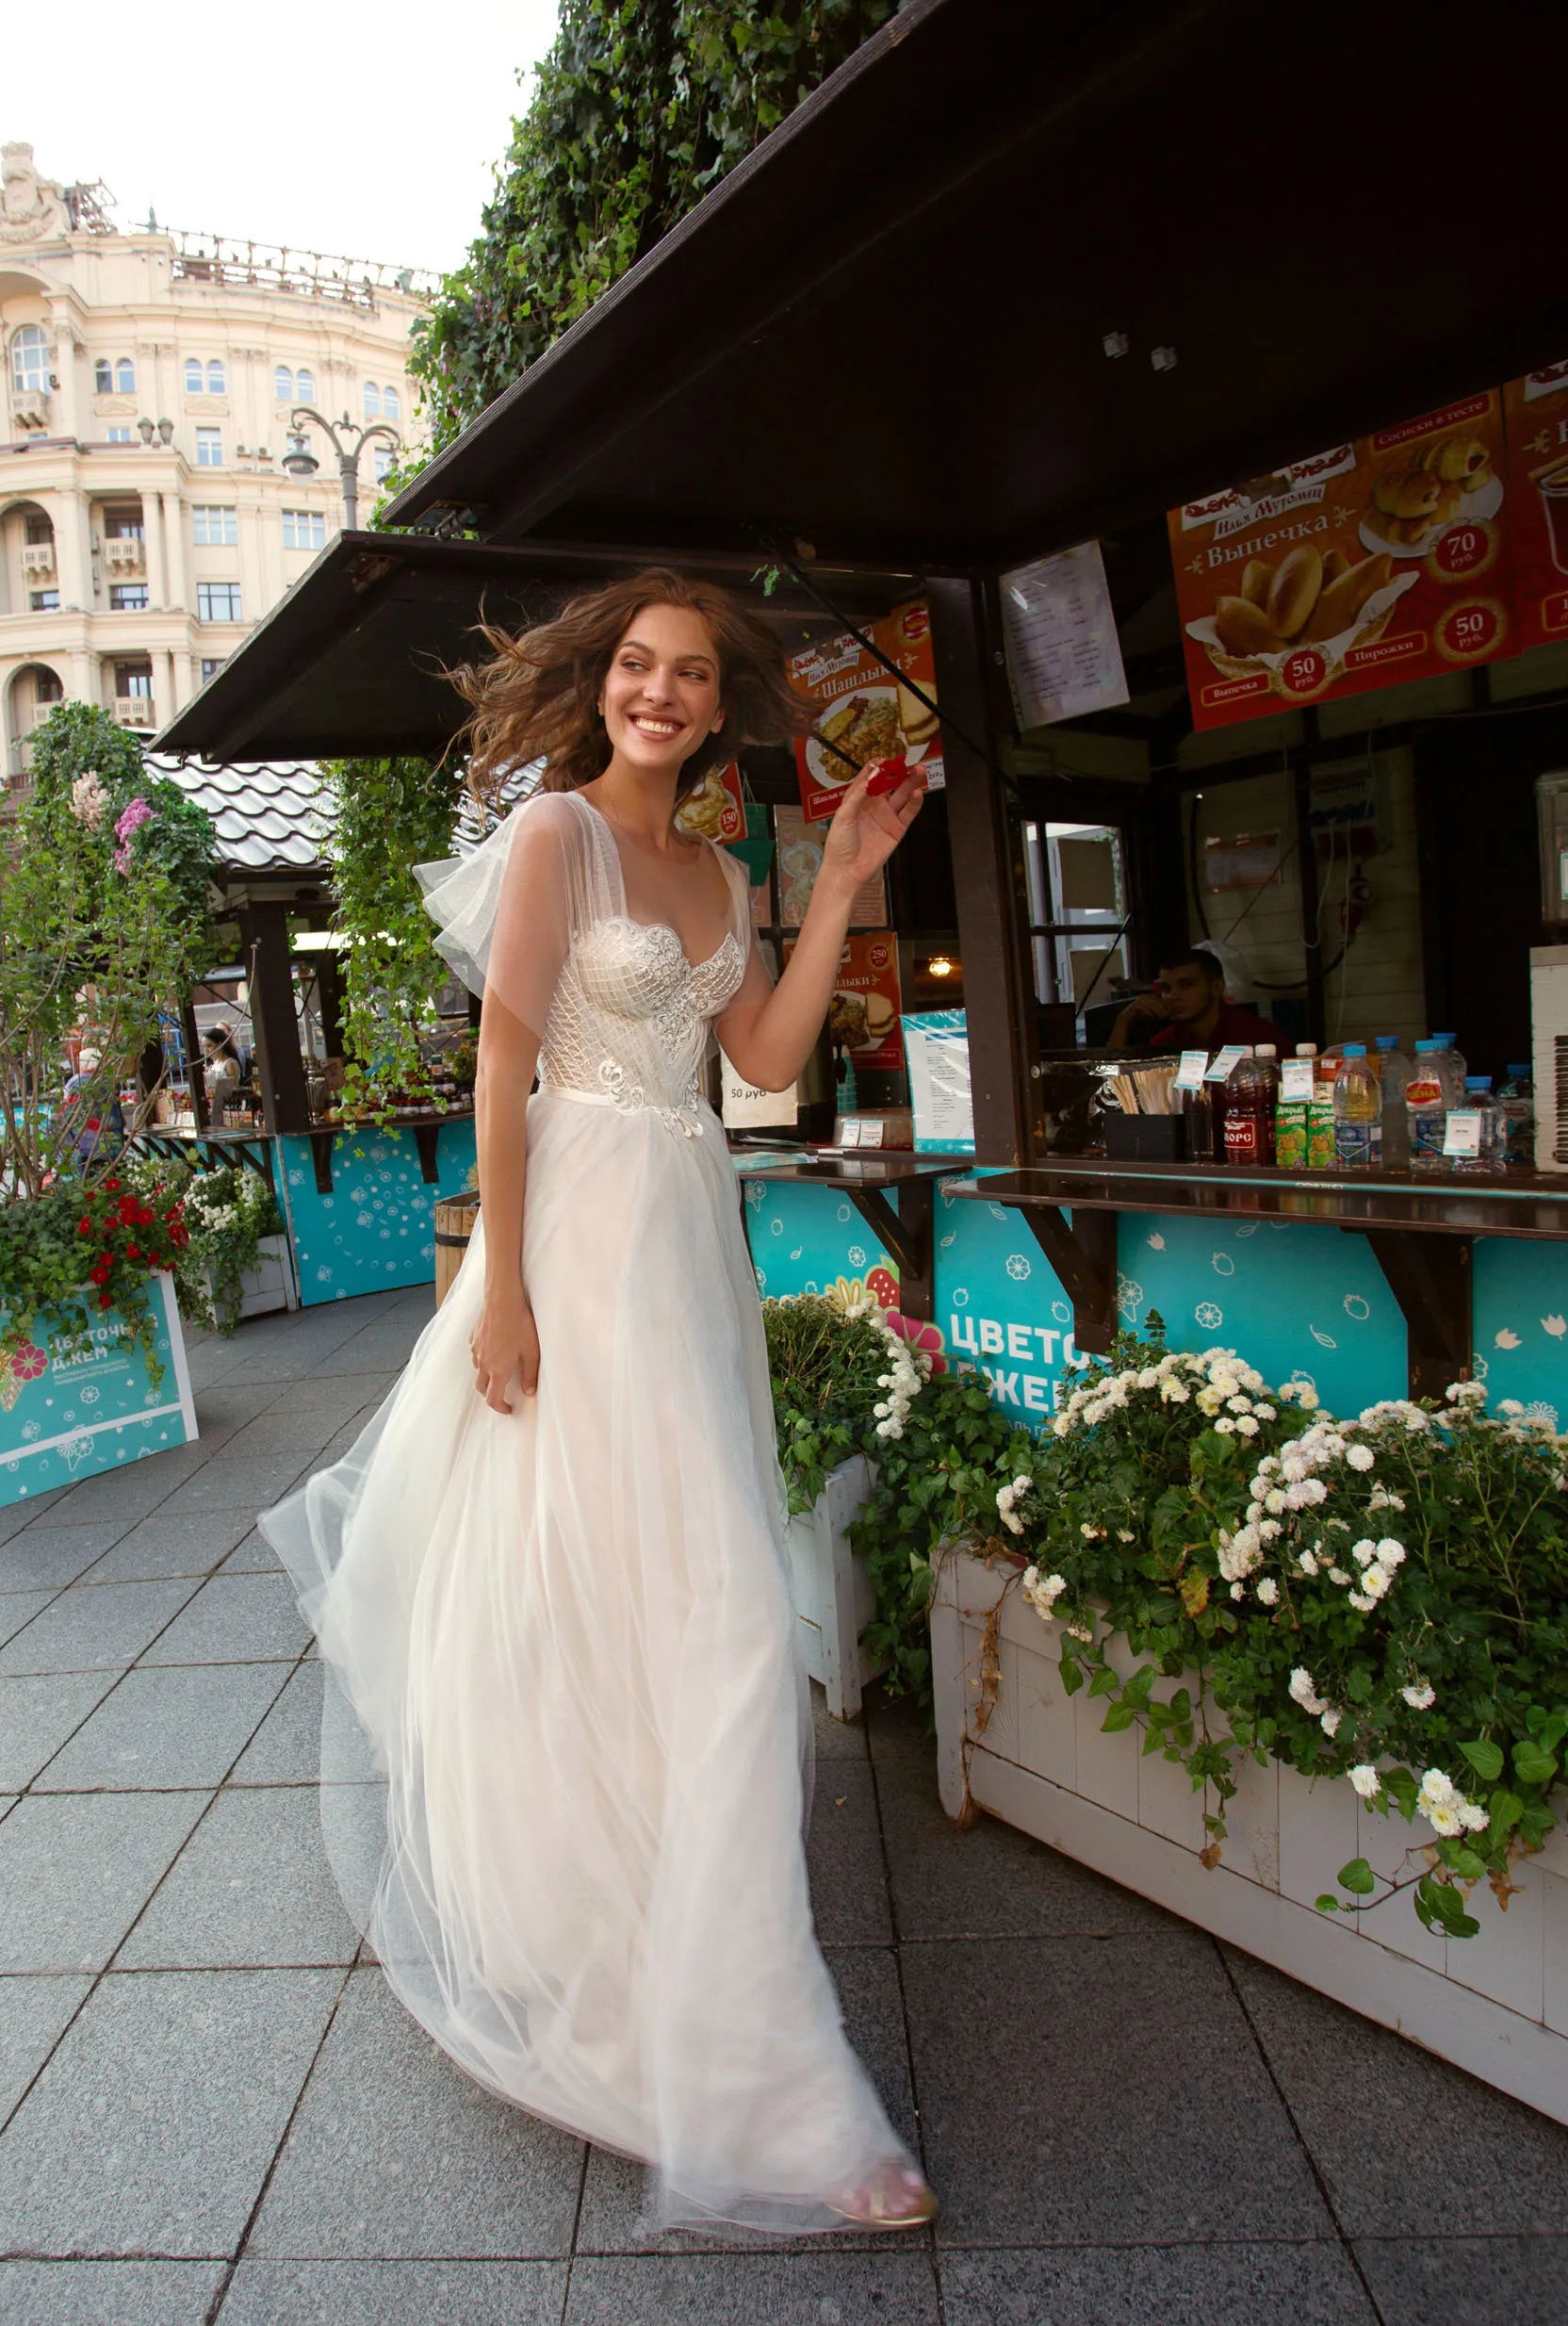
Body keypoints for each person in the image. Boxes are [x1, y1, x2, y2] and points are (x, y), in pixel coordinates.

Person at [259, 570, 936, 2234]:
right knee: (592, 1610)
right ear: (603, 686)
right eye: (637, 663)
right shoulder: (555, 832)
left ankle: (723, 2010)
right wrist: (500, 1284)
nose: (660, 690)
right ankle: (717, 2045)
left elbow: (767, 1059)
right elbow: (506, 1062)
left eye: (690, 673)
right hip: (574, 1239)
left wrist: (841, 876)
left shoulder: (719, 864)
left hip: (686, 1248)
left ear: (717, 707)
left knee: (711, 1619)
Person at [1108, 946, 1287, 1054]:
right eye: (1166, 989)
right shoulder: (1165, 1042)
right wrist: (1123, 1021)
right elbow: (1111, 1089)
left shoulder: (1258, 1035)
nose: (1173, 997)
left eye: (1186, 985)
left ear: (1216, 988)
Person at [202, 1025, 241, 1126]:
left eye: (209, 1046)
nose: (206, 1050)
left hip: (227, 1110)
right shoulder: (215, 1063)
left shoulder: (230, 1063)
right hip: (213, 1106)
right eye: (204, 1047)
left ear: (220, 1044)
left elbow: (235, 1089)